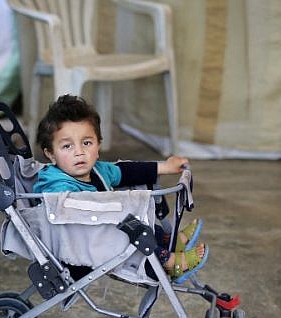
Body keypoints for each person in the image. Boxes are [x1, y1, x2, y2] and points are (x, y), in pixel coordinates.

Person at [33, 94, 207, 283]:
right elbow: (61, 207)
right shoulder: (56, 185)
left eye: (87, 143)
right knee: (129, 226)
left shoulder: (97, 170)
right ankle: (169, 262)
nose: (79, 151)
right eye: (67, 146)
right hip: (80, 250)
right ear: (50, 154)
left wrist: (165, 167)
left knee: (134, 221)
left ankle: (165, 241)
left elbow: (125, 171)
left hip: (103, 236)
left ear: (98, 145)